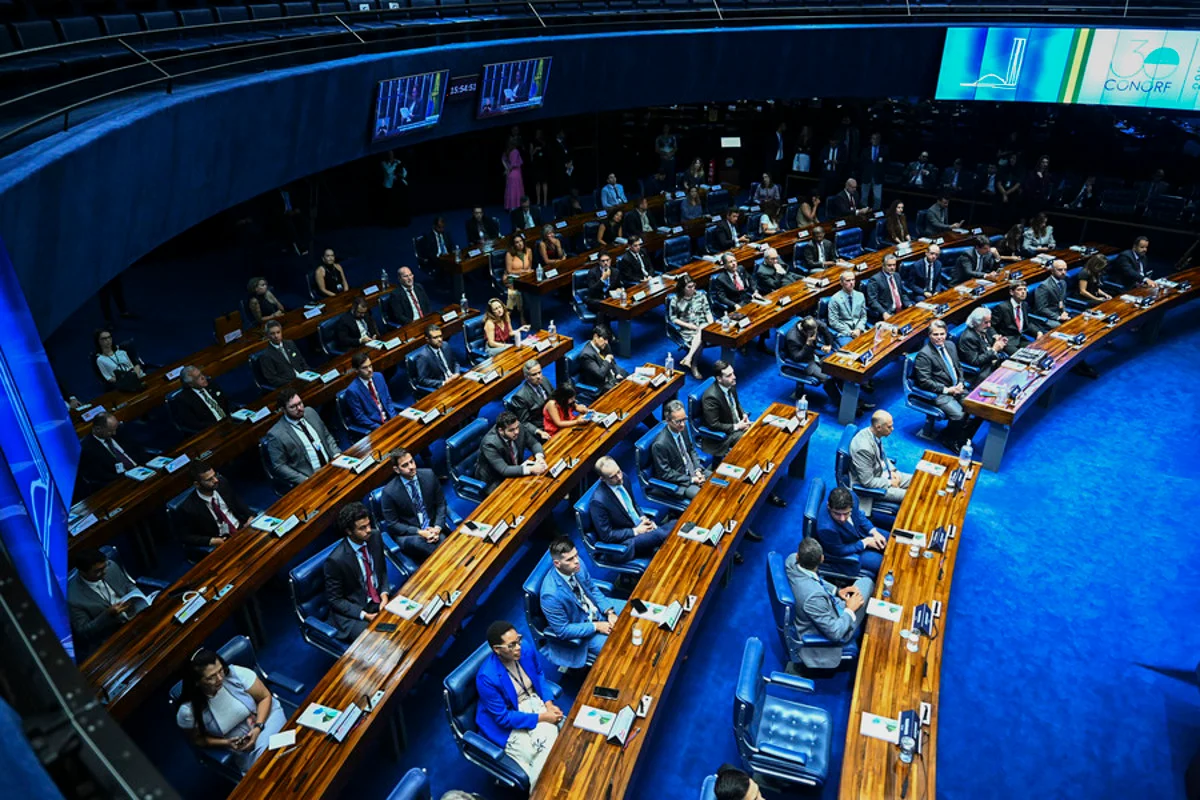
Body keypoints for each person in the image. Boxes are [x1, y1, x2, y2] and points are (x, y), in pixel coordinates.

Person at [475, 621, 563, 788]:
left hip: (532, 701)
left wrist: (549, 705)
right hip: (507, 719)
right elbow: (503, 718)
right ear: (497, 649)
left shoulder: (526, 649)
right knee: (538, 751)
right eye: (511, 645)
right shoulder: (486, 677)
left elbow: (539, 674)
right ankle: (541, 791)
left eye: (519, 640)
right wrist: (543, 717)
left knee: (550, 741)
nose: (518, 647)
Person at [175, 648, 287, 775]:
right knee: (272, 764)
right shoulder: (189, 712)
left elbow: (265, 697)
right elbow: (198, 739)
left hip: (265, 719)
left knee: (271, 758)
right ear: (197, 682)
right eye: (211, 677)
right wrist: (226, 743)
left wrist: (258, 728)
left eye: (220, 670)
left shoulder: (236, 674)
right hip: (241, 744)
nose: (219, 678)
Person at [700, 361, 785, 522]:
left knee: (764, 433)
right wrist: (737, 425)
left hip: (737, 426)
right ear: (719, 379)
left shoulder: (730, 386)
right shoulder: (710, 396)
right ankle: (755, 488)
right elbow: (713, 424)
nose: (734, 377)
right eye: (729, 375)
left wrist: (743, 415)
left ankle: (764, 482)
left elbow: (736, 405)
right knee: (753, 444)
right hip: (721, 437)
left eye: (733, 372)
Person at [784, 537, 872, 670]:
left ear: (798, 556)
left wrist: (837, 591)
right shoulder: (813, 598)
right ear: (822, 559)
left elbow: (814, 579)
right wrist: (850, 609)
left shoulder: (791, 562)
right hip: (834, 626)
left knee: (860, 589)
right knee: (867, 582)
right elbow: (835, 633)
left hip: (827, 605)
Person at [538, 536, 623, 669]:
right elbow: (562, 630)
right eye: (570, 559)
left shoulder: (577, 565)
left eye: (576, 555)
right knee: (619, 649)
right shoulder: (550, 595)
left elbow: (592, 589)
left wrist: (609, 612)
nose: (577, 561)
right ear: (557, 564)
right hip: (584, 628)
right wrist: (596, 626)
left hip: (596, 611)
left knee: (632, 612)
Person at [324, 502, 391, 641]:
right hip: (355, 612)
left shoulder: (375, 536)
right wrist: (364, 615)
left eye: (368, 524)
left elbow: (381, 571)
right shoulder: (336, 560)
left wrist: (384, 594)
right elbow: (335, 600)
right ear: (349, 531)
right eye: (362, 528)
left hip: (377, 600)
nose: (368, 530)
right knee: (378, 641)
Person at [912, 320, 981, 451]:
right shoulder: (924, 355)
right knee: (959, 415)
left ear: (946, 333)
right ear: (929, 335)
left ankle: (961, 438)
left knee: (978, 410)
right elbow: (924, 382)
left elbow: (958, 367)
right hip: (940, 392)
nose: (939, 337)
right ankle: (949, 440)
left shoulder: (950, 345)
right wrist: (948, 390)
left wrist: (960, 382)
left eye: (942, 334)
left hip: (957, 387)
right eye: (935, 334)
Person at [68, 548, 150, 656]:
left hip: (135, 614)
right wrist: (108, 615)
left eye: (104, 566)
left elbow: (127, 585)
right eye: (98, 571)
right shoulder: (72, 597)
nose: (104, 572)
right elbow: (84, 632)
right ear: (83, 572)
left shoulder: (110, 566)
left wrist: (135, 594)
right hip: (112, 636)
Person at [379, 448, 447, 563]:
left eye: (412, 461)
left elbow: (441, 504)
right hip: (409, 534)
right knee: (430, 544)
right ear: (396, 469)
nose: (411, 467)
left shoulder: (429, 475)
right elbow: (393, 524)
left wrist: (437, 527)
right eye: (405, 465)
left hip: (431, 526)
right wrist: (419, 532)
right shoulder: (389, 492)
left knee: (441, 540)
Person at [265, 386, 340, 488]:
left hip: (332, 466)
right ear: (283, 410)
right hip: (310, 477)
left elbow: (326, 436)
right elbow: (279, 466)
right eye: (293, 407)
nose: (299, 409)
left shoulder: (310, 412)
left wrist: (336, 454)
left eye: (300, 403)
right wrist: (304, 480)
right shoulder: (276, 434)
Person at [176, 460, 252, 552]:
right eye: (209, 479)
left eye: (214, 475)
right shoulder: (188, 508)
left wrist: (250, 517)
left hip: (242, 528)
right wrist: (211, 541)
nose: (216, 480)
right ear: (197, 484)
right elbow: (186, 536)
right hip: (221, 541)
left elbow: (238, 503)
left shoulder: (222, 484)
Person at [814, 486, 888, 577]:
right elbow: (839, 551)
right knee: (882, 562)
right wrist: (865, 542)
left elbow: (859, 516)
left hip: (857, 533)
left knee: (890, 540)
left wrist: (874, 532)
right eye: (837, 514)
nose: (842, 519)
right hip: (845, 551)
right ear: (829, 506)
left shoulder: (852, 497)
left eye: (846, 513)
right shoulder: (826, 528)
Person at [649, 401, 710, 500]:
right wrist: (692, 479)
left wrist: (697, 470)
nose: (682, 424)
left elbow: (691, 450)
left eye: (684, 419)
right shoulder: (660, 444)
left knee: (719, 480)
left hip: (693, 471)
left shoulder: (682, 428)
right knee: (704, 498)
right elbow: (665, 473)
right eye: (678, 421)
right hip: (681, 482)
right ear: (668, 420)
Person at [476, 410, 547, 494]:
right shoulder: (489, 443)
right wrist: (531, 469)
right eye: (511, 430)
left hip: (515, 467)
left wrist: (539, 457)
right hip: (495, 480)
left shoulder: (517, 426)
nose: (516, 432)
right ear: (501, 430)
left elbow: (534, 443)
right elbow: (504, 470)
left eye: (517, 428)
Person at [850, 410, 911, 504]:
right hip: (877, 484)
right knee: (913, 496)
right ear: (878, 427)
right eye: (889, 427)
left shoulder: (873, 434)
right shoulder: (864, 449)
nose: (893, 429)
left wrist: (892, 470)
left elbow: (882, 456)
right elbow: (867, 482)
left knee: (918, 481)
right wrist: (890, 483)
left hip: (884, 473)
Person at [783, 315, 846, 407]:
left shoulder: (810, 323)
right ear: (804, 331)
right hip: (806, 362)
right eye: (812, 334)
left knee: (836, 369)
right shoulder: (792, 338)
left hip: (815, 354)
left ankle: (850, 400)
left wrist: (829, 344)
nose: (815, 335)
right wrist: (808, 344)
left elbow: (823, 326)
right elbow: (796, 357)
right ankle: (841, 404)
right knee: (827, 379)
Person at [78, 412, 147, 488]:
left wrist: (145, 466)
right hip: (123, 483)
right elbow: (101, 476)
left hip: (142, 469)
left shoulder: (119, 430)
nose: (114, 433)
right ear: (98, 429)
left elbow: (138, 449)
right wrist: (128, 479)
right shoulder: (88, 449)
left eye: (115, 429)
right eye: (110, 431)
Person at [667, 276, 712, 379]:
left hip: (703, 324)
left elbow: (707, 311)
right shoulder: (676, 300)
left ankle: (689, 358)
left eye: (693, 286)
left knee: (702, 331)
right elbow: (673, 318)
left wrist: (711, 324)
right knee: (701, 338)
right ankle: (694, 365)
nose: (693, 288)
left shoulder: (701, 295)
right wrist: (689, 326)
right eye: (689, 287)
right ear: (683, 288)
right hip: (687, 329)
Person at [344, 352, 397, 431]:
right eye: (364, 368)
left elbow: (387, 400)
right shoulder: (352, 391)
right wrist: (380, 428)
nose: (369, 370)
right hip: (375, 426)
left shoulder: (378, 376)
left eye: (370, 366)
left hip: (389, 419)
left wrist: (394, 419)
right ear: (356, 370)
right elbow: (360, 417)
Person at [991, 281, 1048, 355]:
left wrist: (1037, 332)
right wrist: (995, 335)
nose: (1023, 292)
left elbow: (1027, 323)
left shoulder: (1024, 305)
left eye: (1024, 289)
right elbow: (990, 325)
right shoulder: (1002, 308)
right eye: (1019, 290)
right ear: (1011, 292)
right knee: (1022, 356)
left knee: (1039, 352)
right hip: (1007, 341)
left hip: (1020, 338)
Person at [173, 366, 230, 432]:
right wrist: (218, 425)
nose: (203, 378)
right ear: (190, 384)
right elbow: (194, 424)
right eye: (198, 377)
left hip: (228, 421)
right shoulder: (183, 399)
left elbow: (226, 402)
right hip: (212, 429)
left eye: (201, 374)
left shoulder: (211, 384)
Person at [509, 359, 555, 438]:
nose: (538, 376)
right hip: (541, 426)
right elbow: (523, 422)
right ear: (527, 377)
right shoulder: (520, 397)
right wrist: (539, 432)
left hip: (554, 416)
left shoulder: (544, 380)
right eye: (534, 374)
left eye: (539, 372)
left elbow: (555, 396)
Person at [958, 306, 1007, 378]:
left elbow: (991, 331)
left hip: (995, 361)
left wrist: (997, 339)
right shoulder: (968, 338)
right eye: (986, 322)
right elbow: (975, 361)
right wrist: (994, 350)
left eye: (989, 321)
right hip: (984, 370)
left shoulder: (983, 328)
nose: (989, 325)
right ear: (975, 323)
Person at [258, 320, 310, 388]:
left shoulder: (290, 343)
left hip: (304, 377)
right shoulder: (266, 355)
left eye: (278, 332)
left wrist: (308, 372)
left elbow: (301, 360)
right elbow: (272, 379)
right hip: (288, 385)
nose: (276, 336)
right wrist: (292, 384)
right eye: (272, 333)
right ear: (268, 335)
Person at [578, 324, 628, 393]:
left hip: (610, 375)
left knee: (628, 376)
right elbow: (600, 374)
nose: (606, 342)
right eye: (604, 339)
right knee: (620, 391)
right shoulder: (586, 355)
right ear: (596, 337)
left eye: (607, 339)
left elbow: (613, 362)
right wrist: (607, 360)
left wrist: (617, 373)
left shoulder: (604, 345)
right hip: (600, 384)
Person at [413, 323, 462, 391]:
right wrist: (443, 383)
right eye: (435, 337)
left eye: (440, 336)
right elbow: (422, 380)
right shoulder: (423, 357)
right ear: (427, 339)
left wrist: (457, 373)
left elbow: (455, 362)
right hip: (442, 387)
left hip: (454, 379)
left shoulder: (445, 345)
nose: (440, 339)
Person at [711, 251, 761, 315]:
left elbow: (751, 280)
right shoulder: (720, 279)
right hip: (735, 304)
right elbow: (722, 297)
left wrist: (755, 291)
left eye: (734, 261)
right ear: (725, 266)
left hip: (748, 298)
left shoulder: (741, 269)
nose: (734, 263)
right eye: (730, 262)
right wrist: (734, 305)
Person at [864, 254, 910, 323]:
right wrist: (883, 312)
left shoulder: (897, 275)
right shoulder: (875, 279)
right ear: (883, 266)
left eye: (894, 265)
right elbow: (872, 301)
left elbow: (903, 293)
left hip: (902, 310)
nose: (892, 267)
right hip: (888, 313)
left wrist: (909, 304)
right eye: (889, 265)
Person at [828, 270, 868, 346]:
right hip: (844, 333)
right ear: (841, 282)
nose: (851, 283)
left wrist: (859, 329)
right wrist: (850, 332)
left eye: (853, 280)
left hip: (859, 329)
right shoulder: (835, 299)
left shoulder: (860, 295)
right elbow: (833, 321)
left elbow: (863, 316)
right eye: (848, 280)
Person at [1032, 258, 1071, 326]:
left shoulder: (1063, 282)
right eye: (1060, 270)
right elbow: (1041, 309)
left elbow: (1062, 301)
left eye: (1065, 269)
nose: (1063, 272)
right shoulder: (1044, 286)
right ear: (1052, 270)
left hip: (1059, 312)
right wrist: (1058, 317)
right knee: (1061, 327)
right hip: (1046, 317)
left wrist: (1064, 311)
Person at [859, 132, 887, 210]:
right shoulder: (866, 150)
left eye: (877, 138)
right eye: (873, 138)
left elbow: (886, 164)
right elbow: (861, 163)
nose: (875, 140)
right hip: (866, 176)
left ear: (880, 140)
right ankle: (863, 213)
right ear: (871, 140)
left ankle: (876, 214)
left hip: (878, 177)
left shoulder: (884, 150)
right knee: (864, 197)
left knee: (877, 198)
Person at [528, 129, 550, 207]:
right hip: (536, 164)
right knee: (537, 183)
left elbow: (547, 152)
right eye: (537, 133)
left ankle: (545, 201)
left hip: (543, 164)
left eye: (540, 133)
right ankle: (538, 200)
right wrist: (536, 149)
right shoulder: (532, 142)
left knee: (544, 182)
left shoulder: (544, 142)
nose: (538, 134)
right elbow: (531, 155)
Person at [503, 136, 525, 211]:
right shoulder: (515, 151)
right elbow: (513, 164)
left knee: (511, 190)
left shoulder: (508, 151)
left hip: (510, 173)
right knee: (517, 190)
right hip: (515, 173)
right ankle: (516, 207)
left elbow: (503, 159)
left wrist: (507, 170)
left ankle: (511, 207)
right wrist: (508, 169)